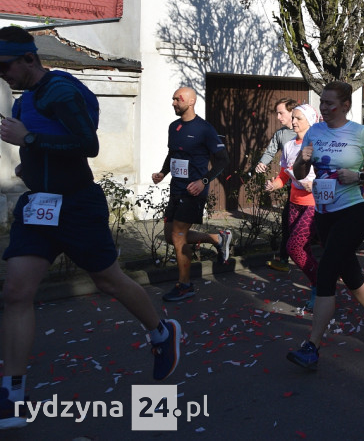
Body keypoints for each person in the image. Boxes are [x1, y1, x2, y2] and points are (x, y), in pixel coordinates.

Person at [0, 28, 181, 428]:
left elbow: (88, 145)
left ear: (29, 59)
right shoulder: (23, 100)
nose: (3, 74)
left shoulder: (59, 92)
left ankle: (161, 333)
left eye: (5, 66)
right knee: (15, 291)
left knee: (109, 281)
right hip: (39, 207)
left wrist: (28, 138)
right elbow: (43, 147)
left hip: (77, 206)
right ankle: (11, 392)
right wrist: (27, 162)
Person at [286, 82, 364, 368]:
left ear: (345, 105)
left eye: (330, 103)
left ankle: (312, 347)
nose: (324, 108)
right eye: (322, 103)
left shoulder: (359, 133)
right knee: (349, 270)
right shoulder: (315, 131)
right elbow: (299, 171)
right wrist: (303, 161)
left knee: (328, 271)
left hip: (354, 211)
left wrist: (358, 177)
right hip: (325, 212)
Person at [152, 87, 232, 302]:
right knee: (171, 237)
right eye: (173, 98)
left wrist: (203, 181)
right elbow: (173, 154)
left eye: (177, 99)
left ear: (191, 101)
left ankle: (185, 284)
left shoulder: (205, 129)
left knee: (178, 238)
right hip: (176, 189)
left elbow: (223, 160)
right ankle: (217, 238)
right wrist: (162, 172)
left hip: (194, 191)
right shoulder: (174, 127)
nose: (173, 103)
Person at [264, 104, 320, 309]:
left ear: (310, 121)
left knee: (294, 246)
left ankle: (320, 283)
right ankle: (319, 284)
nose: (294, 122)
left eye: (299, 118)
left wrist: (314, 185)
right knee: (303, 248)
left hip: (314, 204)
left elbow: (329, 174)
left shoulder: (318, 144)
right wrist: (274, 185)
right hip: (294, 203)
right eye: (293, 118)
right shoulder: (288, 146)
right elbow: (284, 176)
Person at [255, 98, 298, 272]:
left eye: (281, 113)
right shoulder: (281, 135)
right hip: (293, 187)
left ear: (293, 113)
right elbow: (271, 150)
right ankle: (283, 259)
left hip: (314, 190)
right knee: (287, 221)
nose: (278, 117)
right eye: (277, 113)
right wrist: (262, 163)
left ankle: (336, 265)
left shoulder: (311, 133)